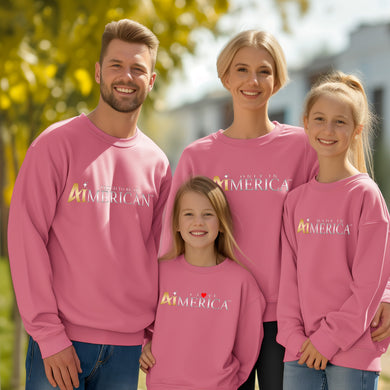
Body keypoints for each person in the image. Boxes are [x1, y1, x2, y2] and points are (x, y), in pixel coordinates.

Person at [159, 30, 390, 390]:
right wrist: (151, 325)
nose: (253, 81)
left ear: (278, 80)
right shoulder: (197, 156)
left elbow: (354, 212)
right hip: (216, 312)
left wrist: (386, 292)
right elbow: (170, 246)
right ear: (225, 76)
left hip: (287, 321)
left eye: (264, 71)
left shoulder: (306, 143)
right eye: (241, 69)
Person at [7, 19, 171, 390]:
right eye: (116, 65)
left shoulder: (158, 164)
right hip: (62, 344)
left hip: (129, 351)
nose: (126, 76)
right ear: (98, 72)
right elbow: (25, 237)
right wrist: (49, 336)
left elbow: (162, 255)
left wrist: (154, 329)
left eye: (137, 68)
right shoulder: (55, 145)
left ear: (152, 80)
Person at [277, 71, 390, 390]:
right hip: (299, 351)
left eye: (340, 122)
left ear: (357, 130)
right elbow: (289, 280)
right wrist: (293, 337)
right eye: (320, 119)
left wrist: (327, 340)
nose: (328, 130)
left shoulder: (366, 195)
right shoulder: (295, 201)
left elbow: (370, 284)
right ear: (306, 123)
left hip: (351, 351)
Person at [140, 176, 265, 389]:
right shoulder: (160, 272)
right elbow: (141, 320)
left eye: (208, 215)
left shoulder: (241, 282)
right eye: (189, 214)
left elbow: (248, 346)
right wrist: (146, 346)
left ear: (222, 223)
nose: (198, 222)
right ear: (177, 224)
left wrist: (228, 381)